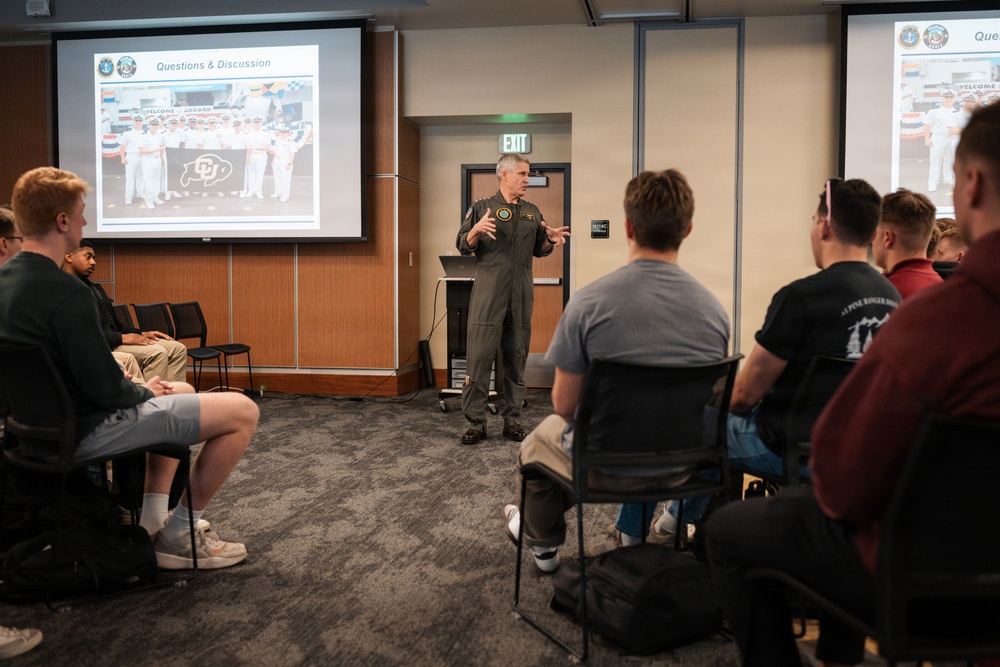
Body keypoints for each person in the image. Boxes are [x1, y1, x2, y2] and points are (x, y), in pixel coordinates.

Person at [704, 102, 1000, 667]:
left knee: (733, 529)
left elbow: (845, 485)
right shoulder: (894, 299)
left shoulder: (937, 322)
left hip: (920, 585)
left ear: (972, 185)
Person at [1, 166, 258, 569]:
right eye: (81, 213)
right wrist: (143, 390)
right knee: (242, 411)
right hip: (82, 433)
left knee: (182, 391)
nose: (86, 222)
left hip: (32, 434)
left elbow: (57, 369)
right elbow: (107, 392)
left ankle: (154, 520)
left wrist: (129, 386)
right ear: (62, 221)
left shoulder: (7, 281)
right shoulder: (68, 292)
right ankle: (179, 537)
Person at [646, 179, 901, 546]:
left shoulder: (800, 297)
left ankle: (658, 532)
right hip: (858, 451)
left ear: (824, 226)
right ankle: (673, 525)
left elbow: (743, 397)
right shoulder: (891, 295)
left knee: (699, 423)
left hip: (791, 451)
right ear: (874, 234)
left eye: (813, 221)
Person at [500, 169, 729, 571]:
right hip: (683, 465)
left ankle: (545, 549)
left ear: (627, 227)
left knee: (537, 443)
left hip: (605, 464)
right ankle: (668, 524)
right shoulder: (714, 312)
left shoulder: (588, 304)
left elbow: (565, 406)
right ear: (688, 230)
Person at [455, 153, 570, 445]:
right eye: (522, 174)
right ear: (504, 174)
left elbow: (540, 249)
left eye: (528, 174)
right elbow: (462, 244)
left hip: (521, 293)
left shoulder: (532, 212)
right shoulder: (482, 207)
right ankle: (476, 423)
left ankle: (513, 420)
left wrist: (550, 240)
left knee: (516, 357)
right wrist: (475, 231)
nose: (527, 180)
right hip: (489, 293)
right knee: (480, 358)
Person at [62, 240, 188, 384]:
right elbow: (83, 335)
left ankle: (173, 395)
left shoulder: (94, 288)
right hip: (103, 345)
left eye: (94, 258)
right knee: (157, 353)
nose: (93, 262)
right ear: (69, 256)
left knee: (177, 349)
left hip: (113, 339)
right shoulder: (67, 291)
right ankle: (154, 396)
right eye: (88, 256)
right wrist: (120, 338)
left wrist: (141, 333)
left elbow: (116, 325)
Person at [871, 188, 942, 299]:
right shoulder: (944, 288)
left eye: (875, 233)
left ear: (887, 238)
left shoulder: (878, 293)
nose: (872, 240)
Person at [923, 89, 957, 193]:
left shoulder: (957, 112)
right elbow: (927, 125)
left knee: (950, 160)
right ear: (942, 98)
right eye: (946, 97)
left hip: (952, 138)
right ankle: (932, 183)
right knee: (935, 162)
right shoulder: (934, 112)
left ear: (954, 99)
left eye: (951, 97)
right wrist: (927, 139)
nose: (948, 99)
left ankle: (948, 178)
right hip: (938, 138)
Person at [120, 113, 145, 205]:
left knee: (141, 177)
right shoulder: (127, 134)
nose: (138, 122)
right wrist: (123, 158)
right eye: (136, 121)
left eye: (140, 121)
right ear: (133, 122)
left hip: (142, 157)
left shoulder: (145, 133)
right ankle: (128, 197)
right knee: (130, 178)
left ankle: (140, 193)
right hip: (131, 157)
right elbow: (122, 146)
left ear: (143, 122)